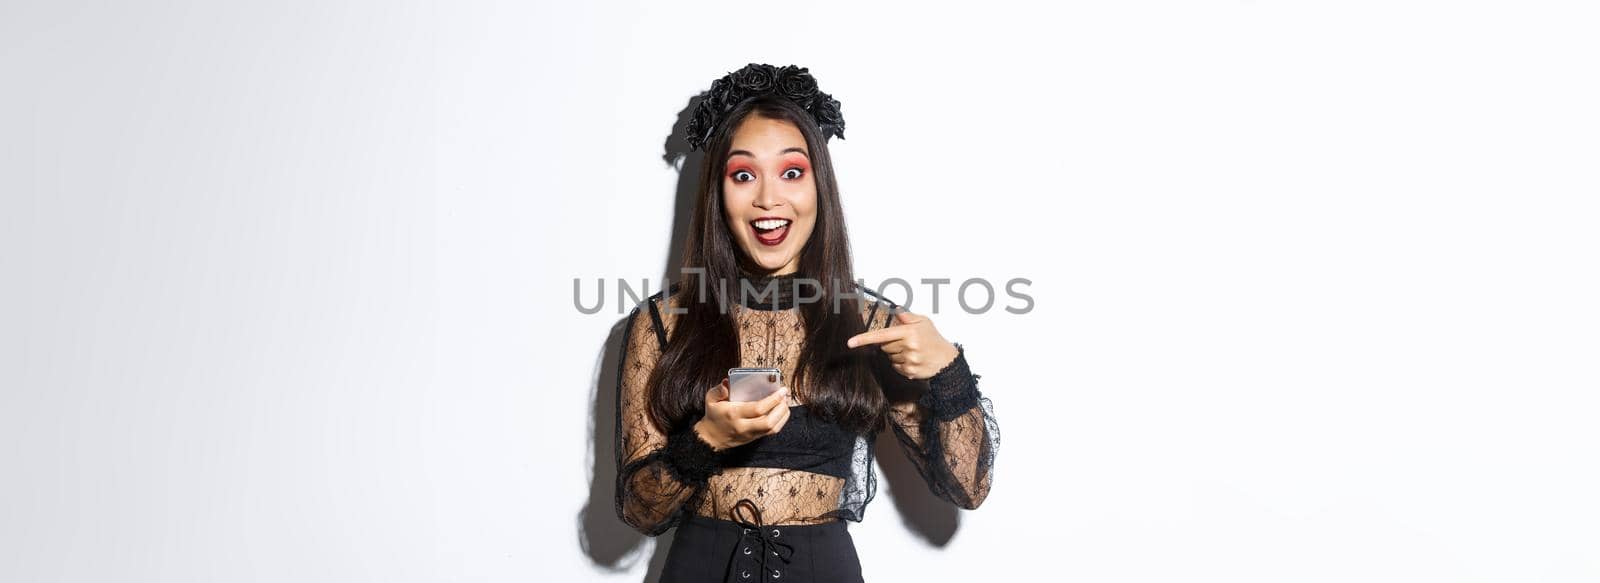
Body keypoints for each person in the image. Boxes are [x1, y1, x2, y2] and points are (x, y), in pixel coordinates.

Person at [613, 63, 999, 583]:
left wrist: (948, 371)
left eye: (791, 172)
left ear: (820, 187)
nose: (769, 198)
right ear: (717, 194)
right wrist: (704, 441)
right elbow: (639, 511)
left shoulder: (870, 324)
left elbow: (967, 490)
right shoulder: (662, 323)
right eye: (744, 174)